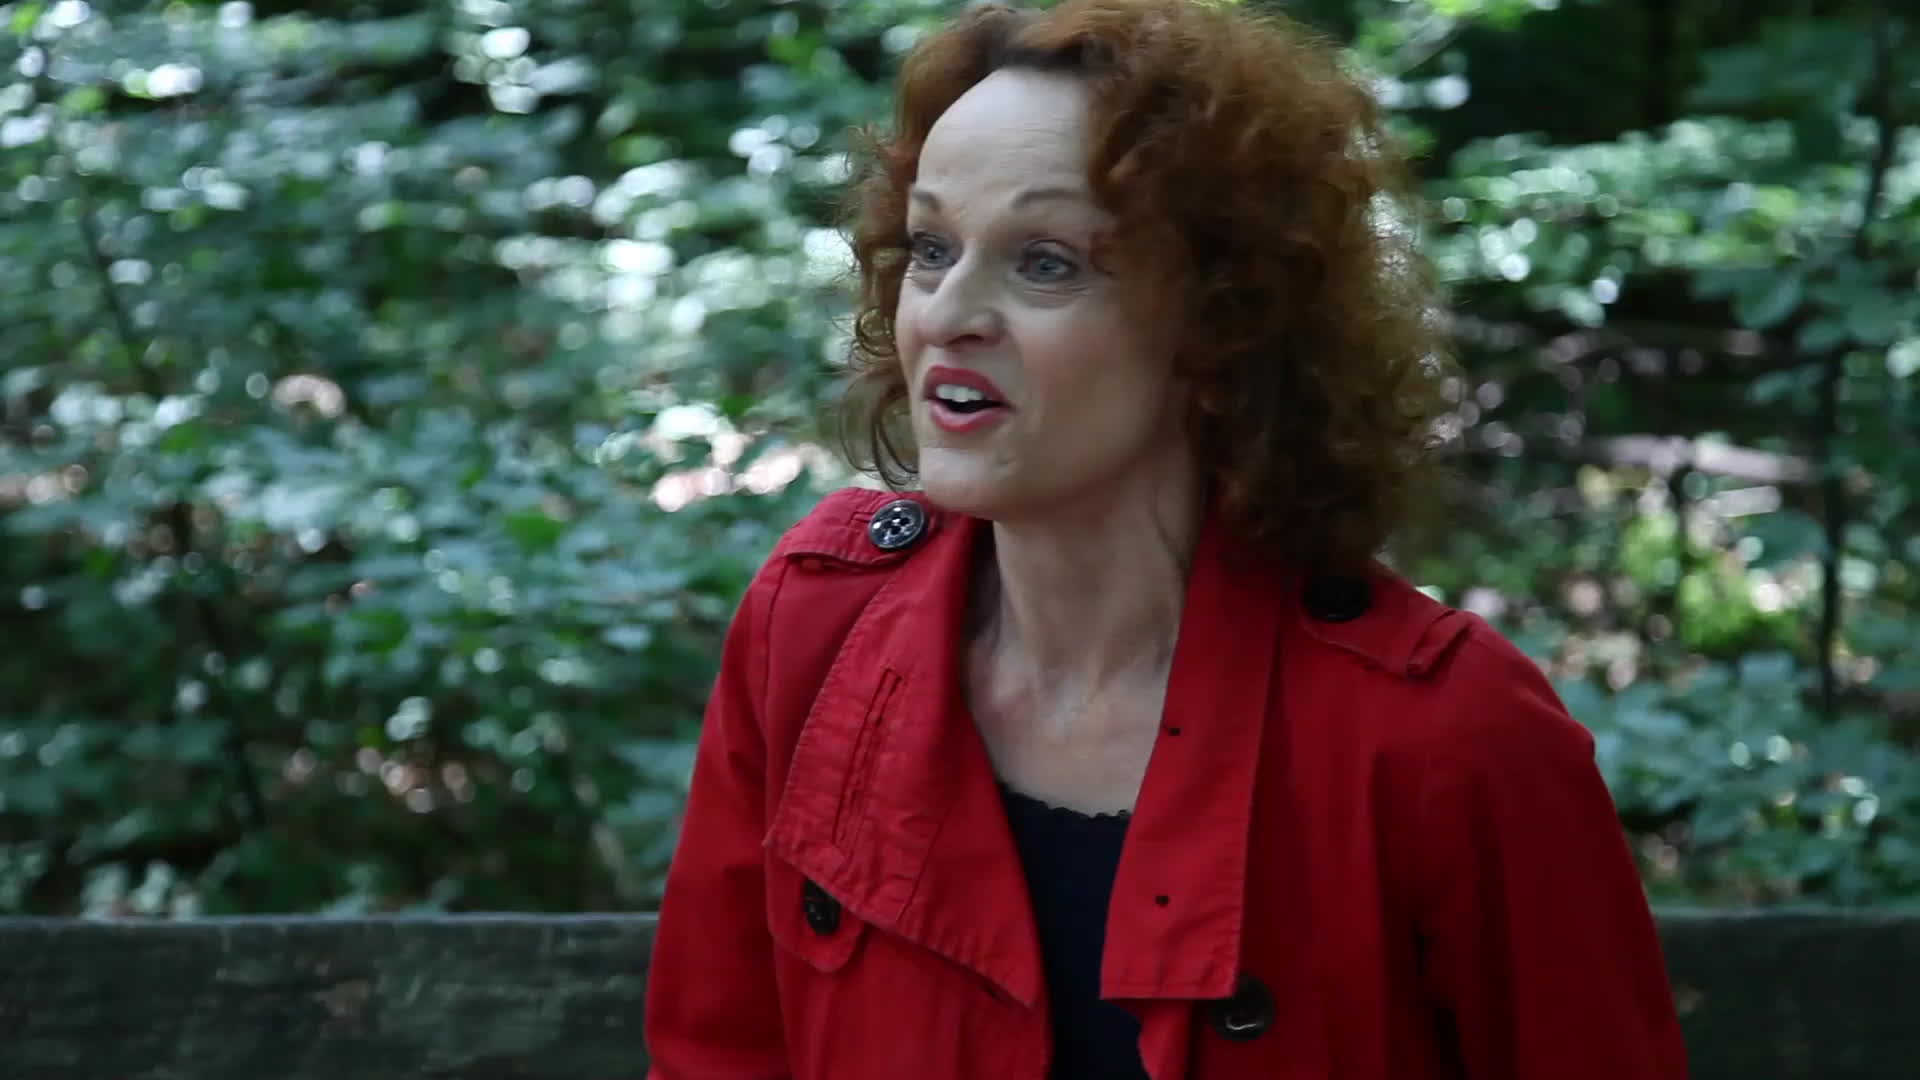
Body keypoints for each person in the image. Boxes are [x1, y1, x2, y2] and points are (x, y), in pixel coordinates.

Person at [644, 0, 1690, 1077]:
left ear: (1221, 320)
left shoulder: (1447, 740)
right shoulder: (813, 623)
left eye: (1046, 261)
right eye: (931, 247)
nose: (947, 313)